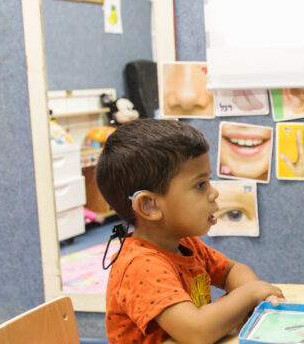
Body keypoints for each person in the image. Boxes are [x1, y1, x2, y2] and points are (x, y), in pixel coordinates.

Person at [96, 118, 284, 344]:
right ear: (150, 206)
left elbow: (231, 270)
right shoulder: (140, 266)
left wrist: (249, 302)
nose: (214, 192)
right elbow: (197, 332)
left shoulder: (186, 244)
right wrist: (251, 293)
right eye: (200, 184)